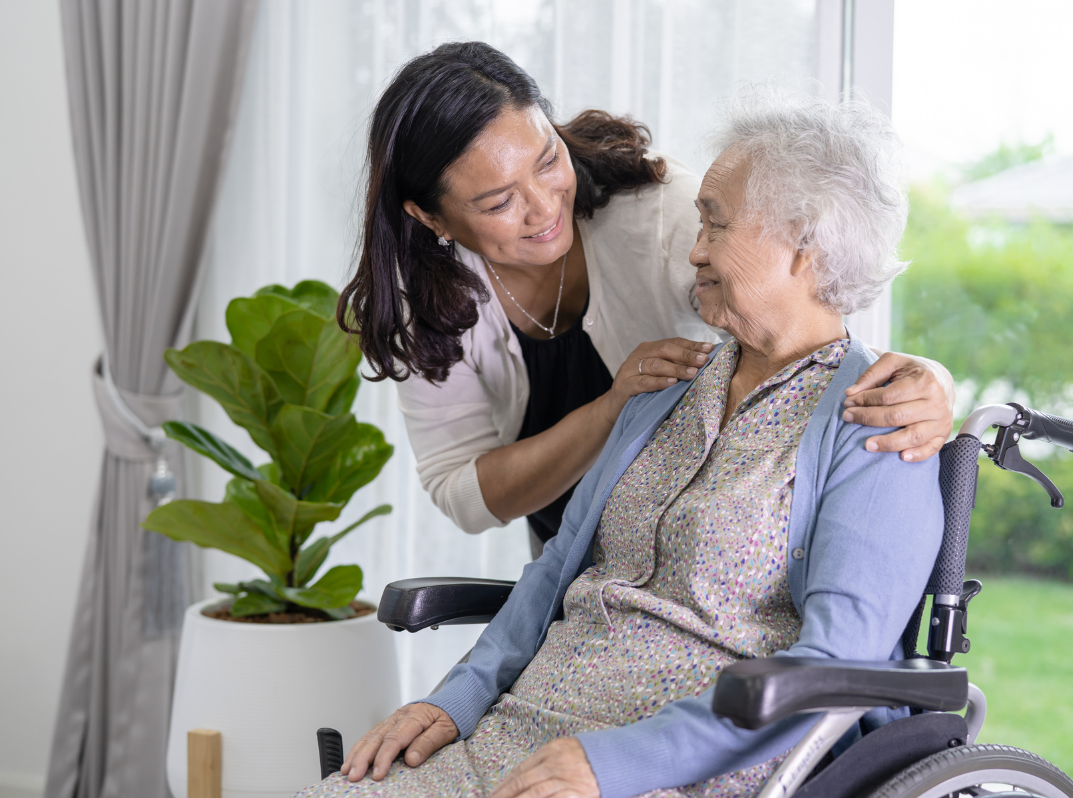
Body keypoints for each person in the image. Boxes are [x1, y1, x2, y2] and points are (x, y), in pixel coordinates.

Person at [301, 87, 944, 798]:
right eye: (699, 222)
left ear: (804, 243)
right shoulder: (664, 386)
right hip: (525, 731)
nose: (693, 248)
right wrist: (451, 701)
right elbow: (551, 575)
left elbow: (835, 661)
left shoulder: (875, 425)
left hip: (688, 763)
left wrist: (615, 764)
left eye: (715, 225)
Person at [337, 42, 955, 555]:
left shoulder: (666, 216)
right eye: (499, 202)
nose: (545, 205)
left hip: (699, 554)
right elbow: (464, 494)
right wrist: (611, 410)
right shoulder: (424, 300)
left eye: (548, 159)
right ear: (430, 218)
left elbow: (815, 314)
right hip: (580, 568)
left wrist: (929, 381)